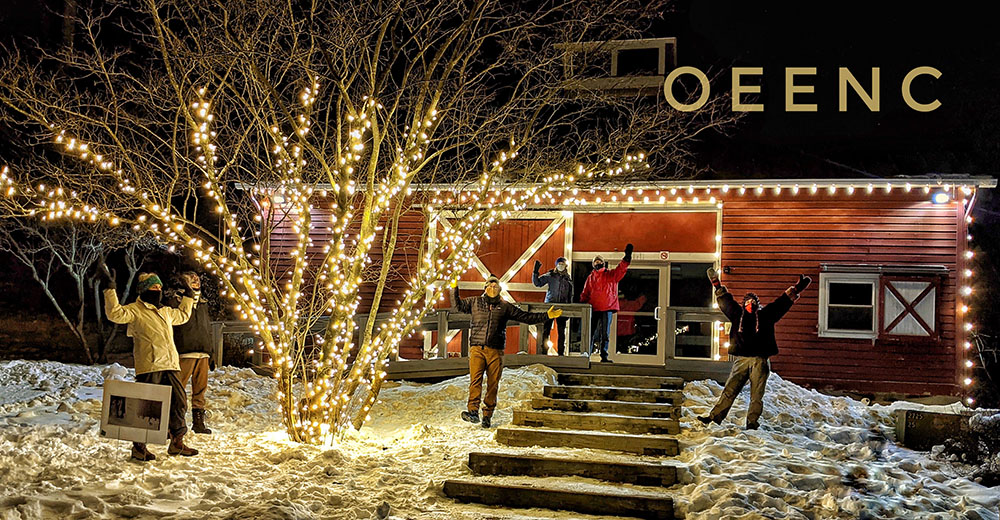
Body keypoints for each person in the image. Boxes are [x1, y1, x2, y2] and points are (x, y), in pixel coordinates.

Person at [100, 266, 198, 461]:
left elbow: (183, 316)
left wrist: (189, 294)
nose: (157, 292)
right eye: (152, 289)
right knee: (146, 407)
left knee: (179, 403)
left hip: (170, 364)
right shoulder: (135, 311)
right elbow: (115, 314)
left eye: (158, 288)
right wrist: (110, 289)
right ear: (143, 291)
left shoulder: (166, 312)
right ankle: (139, 447)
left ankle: (177, 441)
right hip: (150, 365)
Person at [698, 268, 811, 430]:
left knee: (756, 395)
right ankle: (714, 418)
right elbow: (725, 301)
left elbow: (782, 303)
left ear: (757, 304)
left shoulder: (766, 315)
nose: (750, 304)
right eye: (747, 302)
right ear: (743, 304)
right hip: (741, 360)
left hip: (760, 361)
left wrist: (796, 289)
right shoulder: (737, 314)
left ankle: (752, 423)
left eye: (753, 302)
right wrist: (716, 284)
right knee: (729, 390)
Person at [453, 274, 562, 428]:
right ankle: (472, 412)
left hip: (495, 350)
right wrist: (454, 287)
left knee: (493, 383)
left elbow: (526, 317)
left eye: (495, 285)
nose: (492, 287)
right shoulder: (474, 302)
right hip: (477, 348)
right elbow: (457, 306)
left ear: (499, 289)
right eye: (490, 285)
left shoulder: (505, 307)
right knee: (475, 381)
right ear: (485, 287)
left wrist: (546, 316)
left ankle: (487, 415)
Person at [167, 270, 214, 435]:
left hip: (203, 352)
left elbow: (207, 328)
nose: (196, 280)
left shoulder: (203, 303)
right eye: (191, 278)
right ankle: (173, 422)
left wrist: (211, 351)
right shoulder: (175, 301)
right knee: (178, 389)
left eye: (197, 278)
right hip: (184, 351)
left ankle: (198, 421)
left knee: (200, 390)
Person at [579, 243, 632, 362]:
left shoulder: (611, 275)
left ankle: (604, 356)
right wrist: (581, 304)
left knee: (605, 334)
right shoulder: (590, 277)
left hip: (607, 308)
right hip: (593, 308)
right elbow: (585, 292)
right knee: (590, 333)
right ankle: (587, 355)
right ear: (593, 264)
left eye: (599, 261)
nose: (597, 263)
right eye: (595, 262)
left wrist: (627, 258)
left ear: (603, 263)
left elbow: (621, 269)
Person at [532, 257, 573, 355]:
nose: (561, 265)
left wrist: (569, 307)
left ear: (566, 266)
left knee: (561, 331)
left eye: (563, 264)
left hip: (562, 307)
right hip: (549, 305)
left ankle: (561, 353)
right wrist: (535, 272)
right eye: (559, 264)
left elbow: (570, 294)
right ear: (556, 265)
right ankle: (544, 351)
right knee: (546, 329)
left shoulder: (568, 278)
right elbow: (537, 283)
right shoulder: (550, 275)